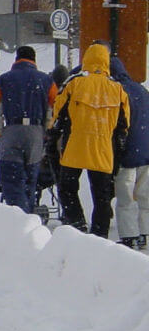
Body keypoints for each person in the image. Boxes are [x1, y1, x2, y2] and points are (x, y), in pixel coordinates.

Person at [50, 43, 129, 237]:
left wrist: (53, 137)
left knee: (67, 188)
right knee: (101, 196)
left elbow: (58, 114)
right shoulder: (117, 89)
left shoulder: (74, 83)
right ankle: (99, 234)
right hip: (102, 149)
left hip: (75, 146)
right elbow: (124, 125)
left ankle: (77, 224)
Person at [0, 46, 57, 213]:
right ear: (34, 60)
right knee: (31, 178)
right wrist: (46, 131)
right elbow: (55, 106)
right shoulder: (46, 81)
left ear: (16, 59)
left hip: (12, 131)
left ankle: (19, 217)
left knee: (11, 178)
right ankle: (29, 213)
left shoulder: (4, 80)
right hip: (36, 133)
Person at [109, 56, 149, 249]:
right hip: (146, 152)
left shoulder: (117, 91)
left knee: (125, 199)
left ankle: (129, 236)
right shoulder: (142, 90)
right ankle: (145, 233)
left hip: (127, 154)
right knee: (144, 197)